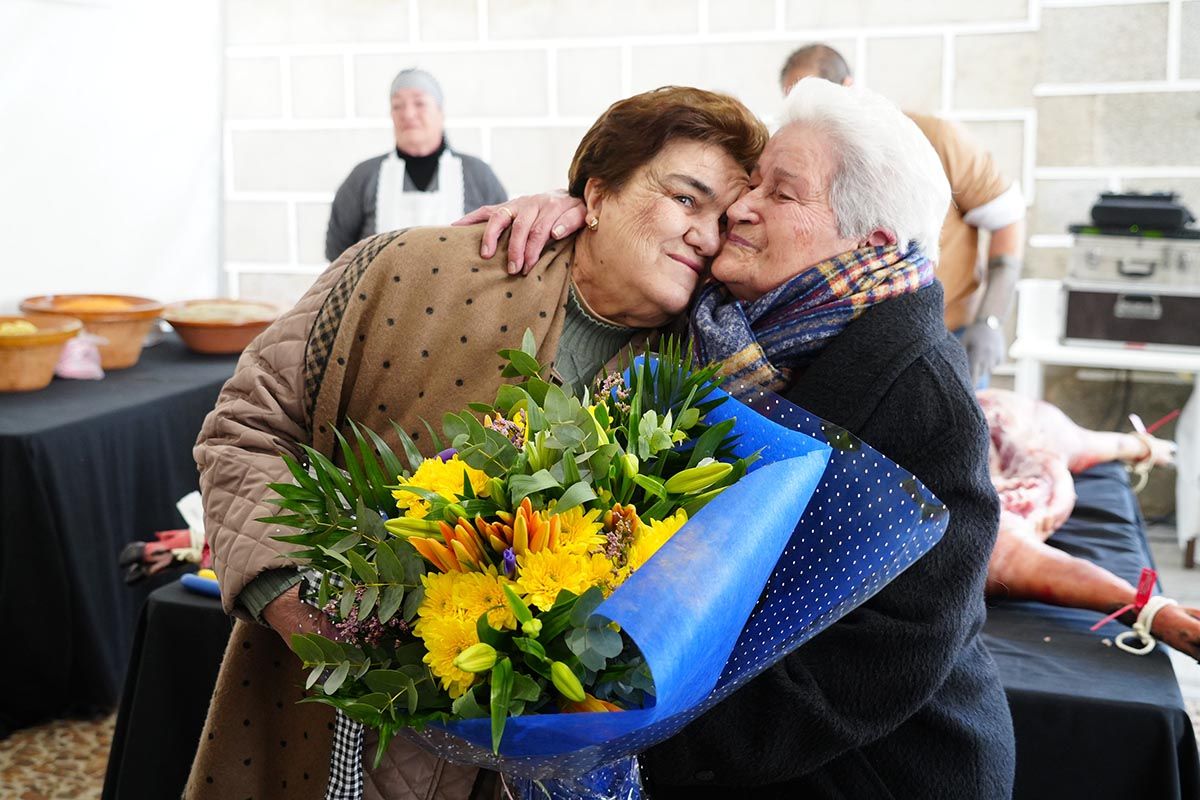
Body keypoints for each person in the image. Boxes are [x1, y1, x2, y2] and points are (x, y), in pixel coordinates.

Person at [186, 86, 767, 800]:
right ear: (598, 192)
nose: (706, 236)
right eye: (685, 199)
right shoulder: (405, 271)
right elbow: (246, 424)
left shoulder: (703, 381)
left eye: (723, 220)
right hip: (322, 707)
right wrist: (287, 593)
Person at [463, 77, 1016, 797]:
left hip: (873, 769)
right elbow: (630, 229)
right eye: (751, 184)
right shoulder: (729, 323)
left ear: (870, 242)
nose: (741, 210)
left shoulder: (922, 392)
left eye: (781, 196)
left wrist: (643, 734)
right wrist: (571, 209)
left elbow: (891, 648)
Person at [778, 43, 1026, 387]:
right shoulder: (815, 160)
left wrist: (990, 321)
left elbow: (1008, 217)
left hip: (945, 334)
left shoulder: (935, 140)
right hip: (860, 347)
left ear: (848, 86)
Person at [324, 68, 508, 261]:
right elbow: (337, 254)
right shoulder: (363, 176)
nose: (408, 114)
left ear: (440, 112)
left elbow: (503, 244)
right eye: (397, 106)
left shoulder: (478, 175)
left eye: (419, 103)